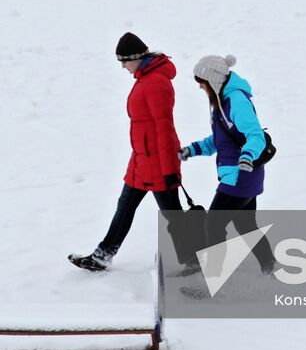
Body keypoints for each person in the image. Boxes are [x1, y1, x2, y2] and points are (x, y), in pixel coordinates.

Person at [69, 32, 185, 272]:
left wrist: (169, 170)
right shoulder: (145, 78)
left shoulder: (156, 83)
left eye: (124, 61)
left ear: (136, 57)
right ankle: (102, 256)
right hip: (141, 160)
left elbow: (165, 128)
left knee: (173, 215)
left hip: (157, 163)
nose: (122, 67)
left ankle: (193, 262)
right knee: (125, 207)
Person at [179, 53, 276, 275]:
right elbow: (221, 139)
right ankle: (270, 268)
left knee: (213, 225)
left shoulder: (237, 101)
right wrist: (193, 149)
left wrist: (247, 155)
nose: (201, 88)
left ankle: (213, 280)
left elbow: (255, 135)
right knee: (246, 226)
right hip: (241, 175)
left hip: (240, 175)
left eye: (202, 84)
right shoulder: (223, 101)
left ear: (213, 81)